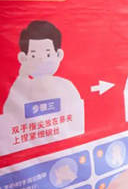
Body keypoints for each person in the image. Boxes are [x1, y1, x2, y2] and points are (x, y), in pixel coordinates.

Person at [1, 20, 84, 154]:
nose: (41, 60)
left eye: (47, 54)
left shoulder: (67, 87)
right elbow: (8, 116)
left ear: (58, 55)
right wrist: (22, 77)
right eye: (33, 55)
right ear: (23, 58)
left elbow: (77, 121)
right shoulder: (21, 88)